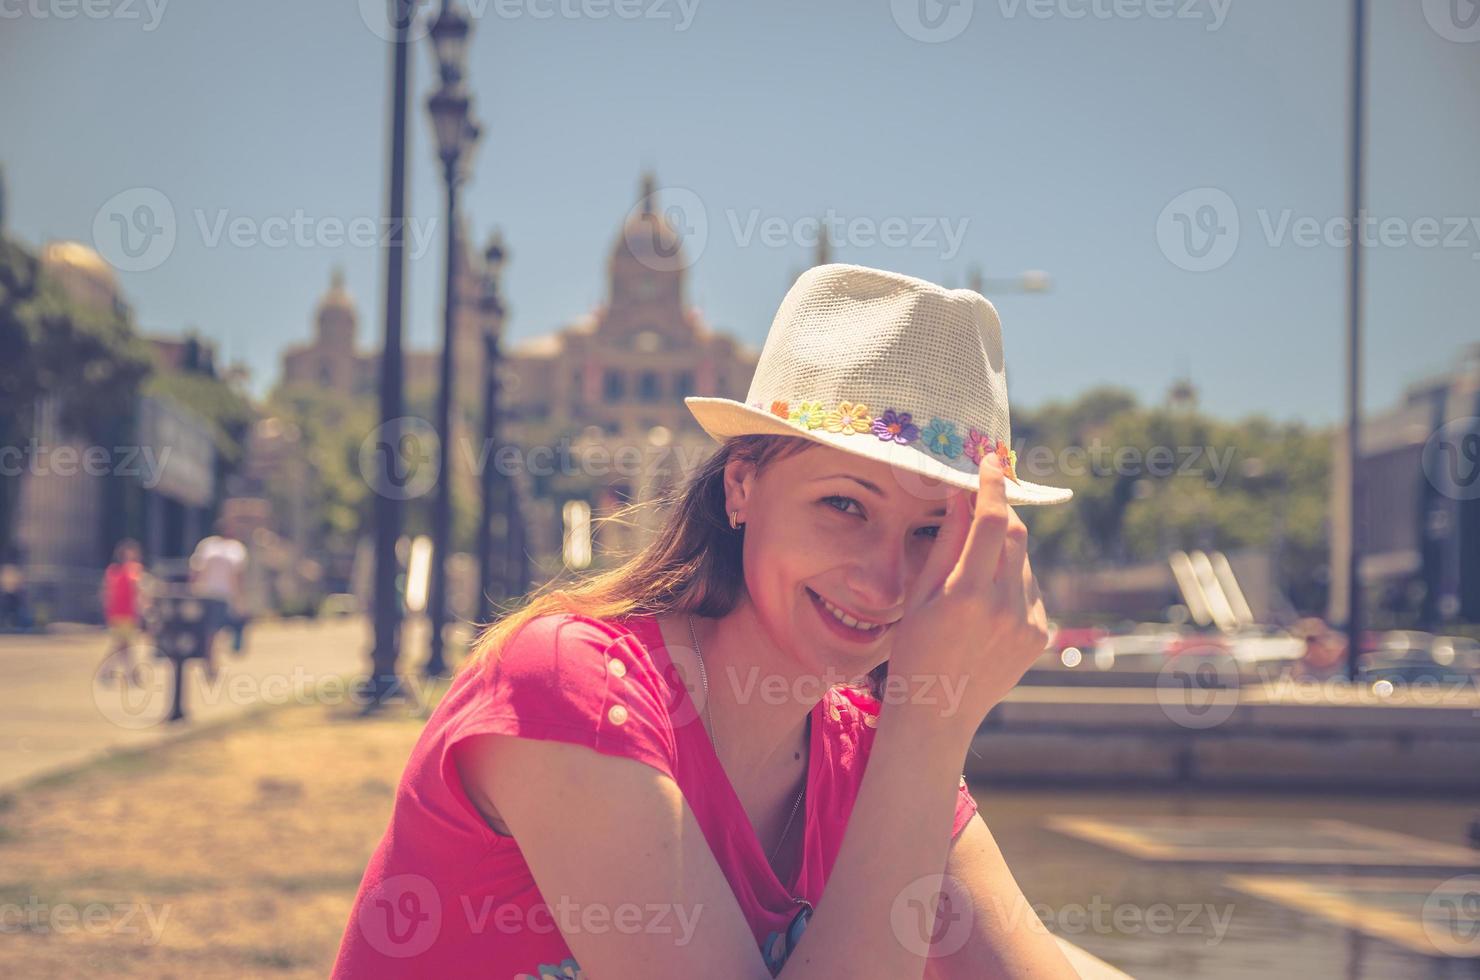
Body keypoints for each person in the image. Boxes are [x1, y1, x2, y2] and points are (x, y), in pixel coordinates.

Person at [333, 264, 1080, 978]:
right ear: (741, 488)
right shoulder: (571, 685)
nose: (886, 580)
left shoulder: (871, 761)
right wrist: (931, 721)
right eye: (845, 506)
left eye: (930, 532)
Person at [188, 521, 247, 679]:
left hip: (220, 595)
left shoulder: (216, 546)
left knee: (215, 631)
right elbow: (237, 576)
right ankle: (211, 660)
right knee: (212, 630)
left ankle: (211, 659)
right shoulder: (225, 547)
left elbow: (196, 569)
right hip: (211, 594)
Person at [98, 539, 148, 684]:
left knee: (123, 647)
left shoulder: (114, 571)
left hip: (121, 614)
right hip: (124, 614)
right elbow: (138, 590)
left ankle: (127, 674)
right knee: (123, 647)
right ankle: (130, 675)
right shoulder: (130, 570)